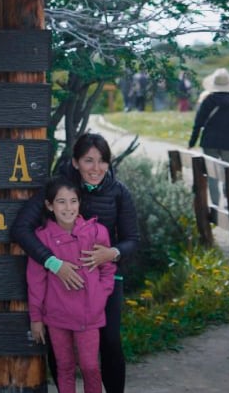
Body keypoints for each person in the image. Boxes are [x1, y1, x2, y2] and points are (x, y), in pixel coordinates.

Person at [11, 132, 140, 393]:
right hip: (61, 281)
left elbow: (132, 239)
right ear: (75, 162)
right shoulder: (60, 189)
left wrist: (111, 253)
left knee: (110, 341)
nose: (96, 168)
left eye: (102, 161)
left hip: (104, 278)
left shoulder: (119, 193)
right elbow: (21, 229)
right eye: (88, 161)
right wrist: (52, 263)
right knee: (61, 351)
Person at [27, 177, 116, 393]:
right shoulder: (42, 237)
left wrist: (100, 294)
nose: (68, 208)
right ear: (49, 205)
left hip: (90, 314)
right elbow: (36, 281)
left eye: (73, 201)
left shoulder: (96, 232)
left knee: (90, 367)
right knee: (65, 367)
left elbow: (108, 268)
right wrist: (36, 318)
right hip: (57, 315)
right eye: (61, 202)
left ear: (79, 203)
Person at [188, 67, 229, 205]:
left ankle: (215, 204)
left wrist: (192, 142)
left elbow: (198, 123)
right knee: (227, 173)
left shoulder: (208, 100)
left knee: (212, 174)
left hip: (210, 141)